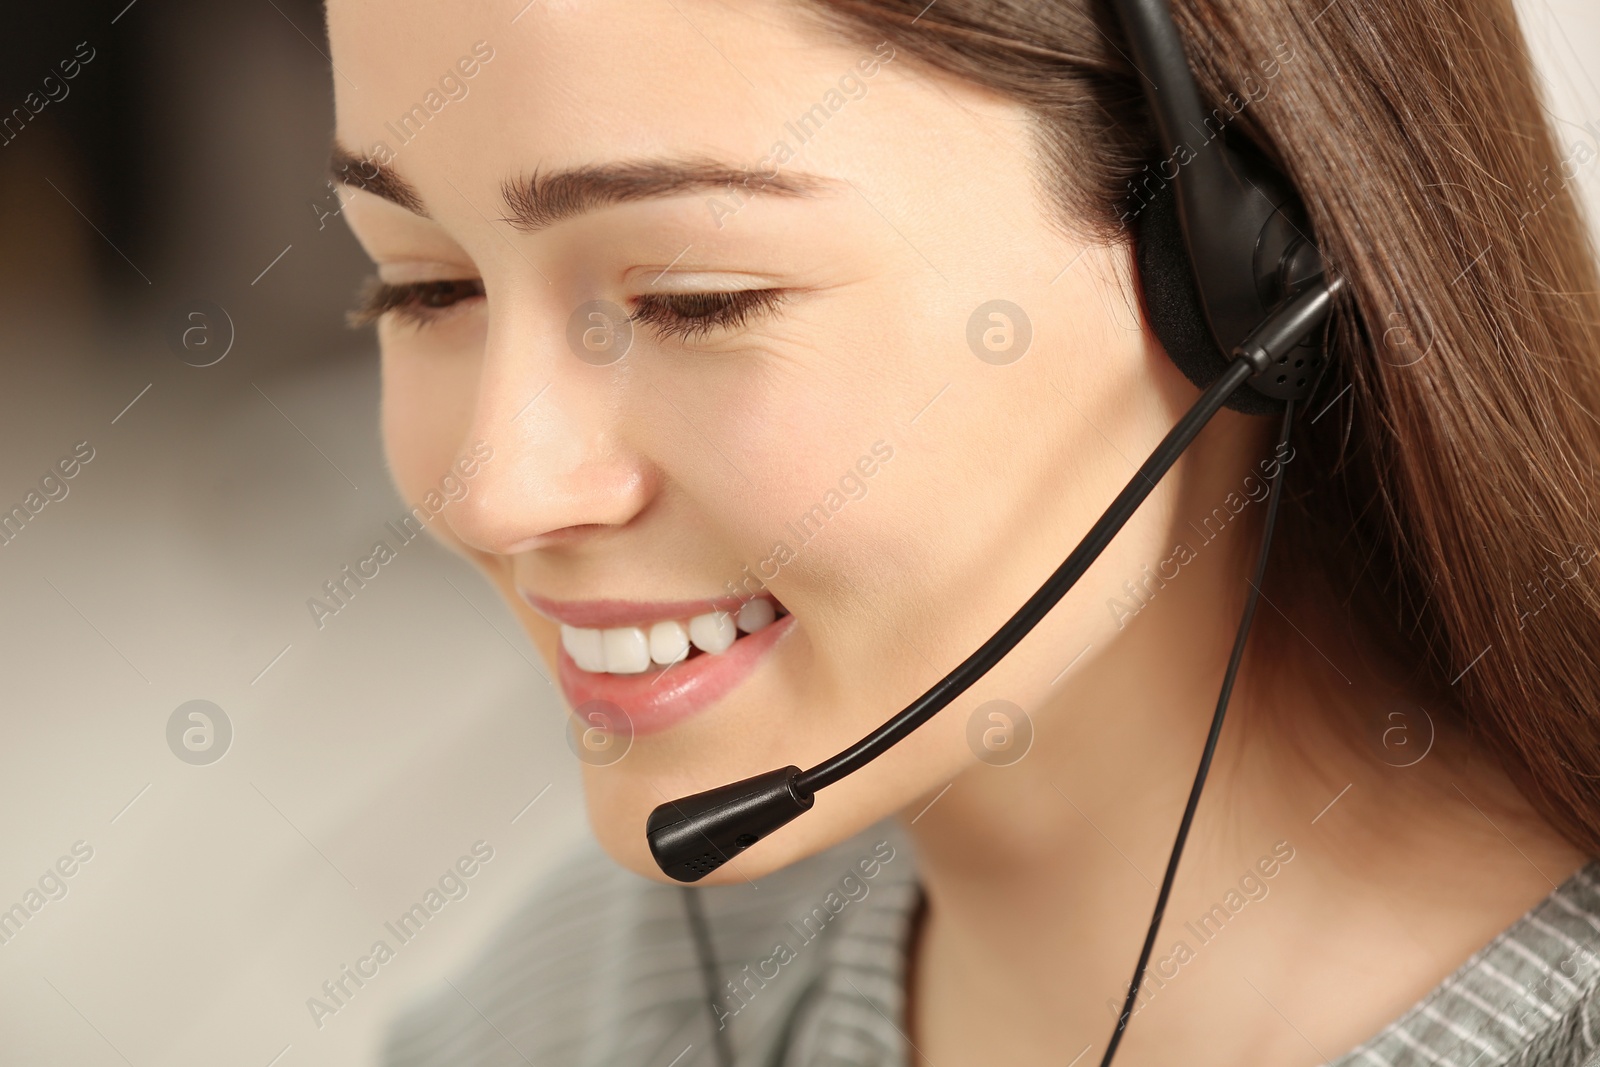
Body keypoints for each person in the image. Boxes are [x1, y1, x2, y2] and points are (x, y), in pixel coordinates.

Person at [324, 0, 1600, 1062]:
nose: (496, 487)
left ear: (1248, 276)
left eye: (693, 300)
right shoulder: (597, 997)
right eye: (422, 284)